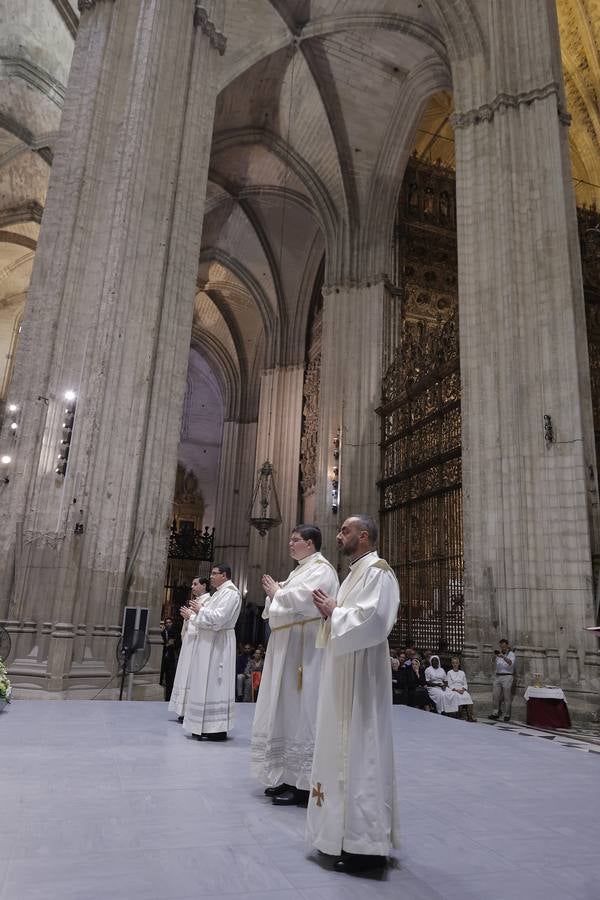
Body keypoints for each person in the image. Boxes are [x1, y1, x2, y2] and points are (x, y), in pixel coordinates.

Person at [308, 514, 400, 874]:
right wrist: (330, 614)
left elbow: (376, 621)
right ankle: (340, 835)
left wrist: (335, 612)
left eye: (345, 530)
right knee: (343, 751)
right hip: (343, 670)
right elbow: (344, 616)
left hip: (362, 677)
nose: (338, 535)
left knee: (362, 751)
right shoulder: (353, 574)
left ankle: (366, 847)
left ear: (363, 536)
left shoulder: (379, 572)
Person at [251, 524, 339, 807]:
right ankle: (287, 776)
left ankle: (303, 785)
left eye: (295, 540)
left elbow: (306, 598)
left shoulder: (322, 569)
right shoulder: (300, 570)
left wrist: (278, 593)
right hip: (289, 649)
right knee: (286, 711)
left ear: (310, 543)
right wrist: (277, 593)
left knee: (303, 712)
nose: (290, 544)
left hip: (306, 652)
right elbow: (282, 599)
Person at [182, 564, 241, 741]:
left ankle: (216, 728)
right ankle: (202, 725)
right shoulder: (219, 593)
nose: (211, 577)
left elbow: (219, 619)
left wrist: (199, 611)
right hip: (209, 642)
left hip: (219, 643)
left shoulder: (231, 593)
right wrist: (195, 616)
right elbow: (208, 618)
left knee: (216, 684)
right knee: (205, 683)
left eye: (215, 574)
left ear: (225, 575)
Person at [168, 576, 210, 722]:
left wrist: (190, 616)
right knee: (184, 674)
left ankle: (190, 710)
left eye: (195, 584)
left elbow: (206, 622)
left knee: (191, 675)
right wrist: (187, 617)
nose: (192, 587)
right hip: (188, 642)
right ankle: (182, 710)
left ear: (204, 586)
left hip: (197, 644)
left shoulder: (208, 601)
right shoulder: (196, 601)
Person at [489, 639, 516, 722]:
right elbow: (492, 662)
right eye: (501, 646)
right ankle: (495, 713)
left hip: (507, 676)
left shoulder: (511, 654)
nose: (502, 648)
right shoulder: (499, 654)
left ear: (507, 646)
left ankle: (507, 714)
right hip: (497, 676)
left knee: (507, 696)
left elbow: (510, 663)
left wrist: (503, 657)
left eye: (504, 646)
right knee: (495, 695)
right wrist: (494, 656)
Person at [446, 655, 476, 721]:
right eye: (453, 663)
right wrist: (457, 690)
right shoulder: (449, 672)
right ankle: (459, 715)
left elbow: (465, 683)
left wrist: (463, 689)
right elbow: (449, 684)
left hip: (462, 689)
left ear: (459, 664)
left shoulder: (462, 673)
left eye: (456, 663)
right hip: (454, 690)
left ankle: (470, 717)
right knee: (458, 697)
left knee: (468, 697)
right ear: (452, 664)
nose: (455, 664)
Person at [160, 617, 179, 702]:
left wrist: (173, 643)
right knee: (163, 678)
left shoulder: (175, 632)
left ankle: (169, 697)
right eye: (167, 623)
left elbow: (178, 643)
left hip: (172, 657)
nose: (168, 624)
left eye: (169, 622)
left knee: (170, 678)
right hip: (163, 657)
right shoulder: (162, 633)